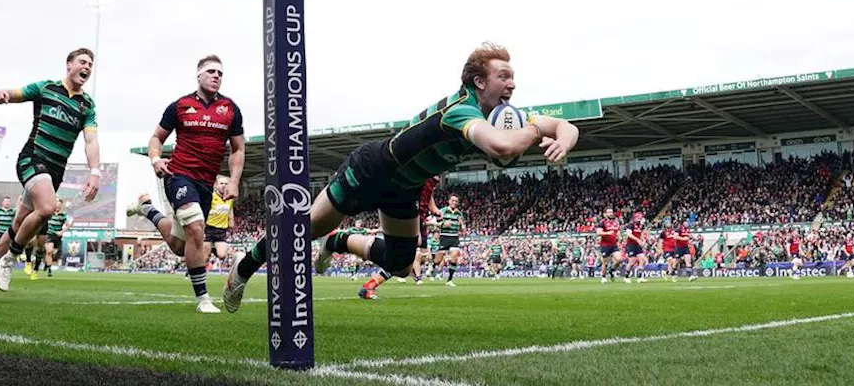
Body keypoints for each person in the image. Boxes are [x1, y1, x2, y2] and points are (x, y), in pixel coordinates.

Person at [224, 42, 580, 313]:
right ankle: (245, 266)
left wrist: (561, 140)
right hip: (371, 170)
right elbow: (503, 147)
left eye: (513, 77)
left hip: (404, 188)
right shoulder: (460, 111)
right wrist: (535, 132)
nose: (512, 84)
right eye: (504, 76)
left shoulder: (503, 113)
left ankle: (339, 242)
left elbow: (567, 125)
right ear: (479, 81)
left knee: (399, 263)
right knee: (303, 229)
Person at [0, 48, 101, 302]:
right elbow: (17, 93)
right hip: (33, 158)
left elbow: (91, 140)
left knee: (20, 222)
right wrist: (1, 95)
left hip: (54, 171)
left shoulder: (87, 105)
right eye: (82, 62)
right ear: (69, 64)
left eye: (90, 64)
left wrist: (95, 171)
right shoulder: (47, 88)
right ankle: (10, 259)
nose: (87, 67)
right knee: (48, 207)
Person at [130, 54, 245, 313]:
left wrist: (235, 181)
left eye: (220, 73)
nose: (216, 76)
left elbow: (238, 149)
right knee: (196, 227)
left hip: (207, 183)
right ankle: (203, 299)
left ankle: (148, 209)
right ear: (199, 75)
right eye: (211, 71)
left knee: (181, 246)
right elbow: (156, 138)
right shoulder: (179, 106)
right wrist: (155, 159)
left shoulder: (230, 109)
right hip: (179, 175)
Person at [434, 194, 467, 287]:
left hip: (454, 237)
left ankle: (449, 280)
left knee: (454, 257)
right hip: (444, 237)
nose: (454, 202)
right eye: (453, 200)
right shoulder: (443, 211)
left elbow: (463, 228)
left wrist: (462, 226)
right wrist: (443, 224)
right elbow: (434, 223)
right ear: (449, 201)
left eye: (456, 201)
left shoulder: (459, 213)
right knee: (437, 260)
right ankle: (432, 267)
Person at [204, 176, 235, 269]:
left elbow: (230, 211)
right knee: (205, 257)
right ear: (216, 185)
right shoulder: (211, 197)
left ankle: (213, 248)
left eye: (226, 184)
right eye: (221, 183)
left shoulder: (230, 199)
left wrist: (231, 222)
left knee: (222, 255)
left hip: (221, 231)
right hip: (208, 229)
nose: (224, 186)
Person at [43, 200, 72, 277]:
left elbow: (68, 225)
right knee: (49, 251)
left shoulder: (63, 214)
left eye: (59, 206)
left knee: (53, 254)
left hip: (58, 236)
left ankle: (47, 263)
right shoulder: (49, 213)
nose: (57, 207)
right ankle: (49, 270)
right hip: (49, 234)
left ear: (61, 206)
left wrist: (61, 232)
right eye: (56, 205)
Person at [596, 207, 624, 283]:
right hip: (605, 245)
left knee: (619, 259)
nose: (611, 214)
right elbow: (598, 232)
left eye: (611, 212)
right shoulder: (602, 223)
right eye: (609, 212)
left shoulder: (615, 222)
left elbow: (617, 231)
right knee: (605, 263)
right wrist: (607, 233)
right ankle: (604, 277)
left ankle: (611, 270)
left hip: (614, 245)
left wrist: (620, 236)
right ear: (605, 214)